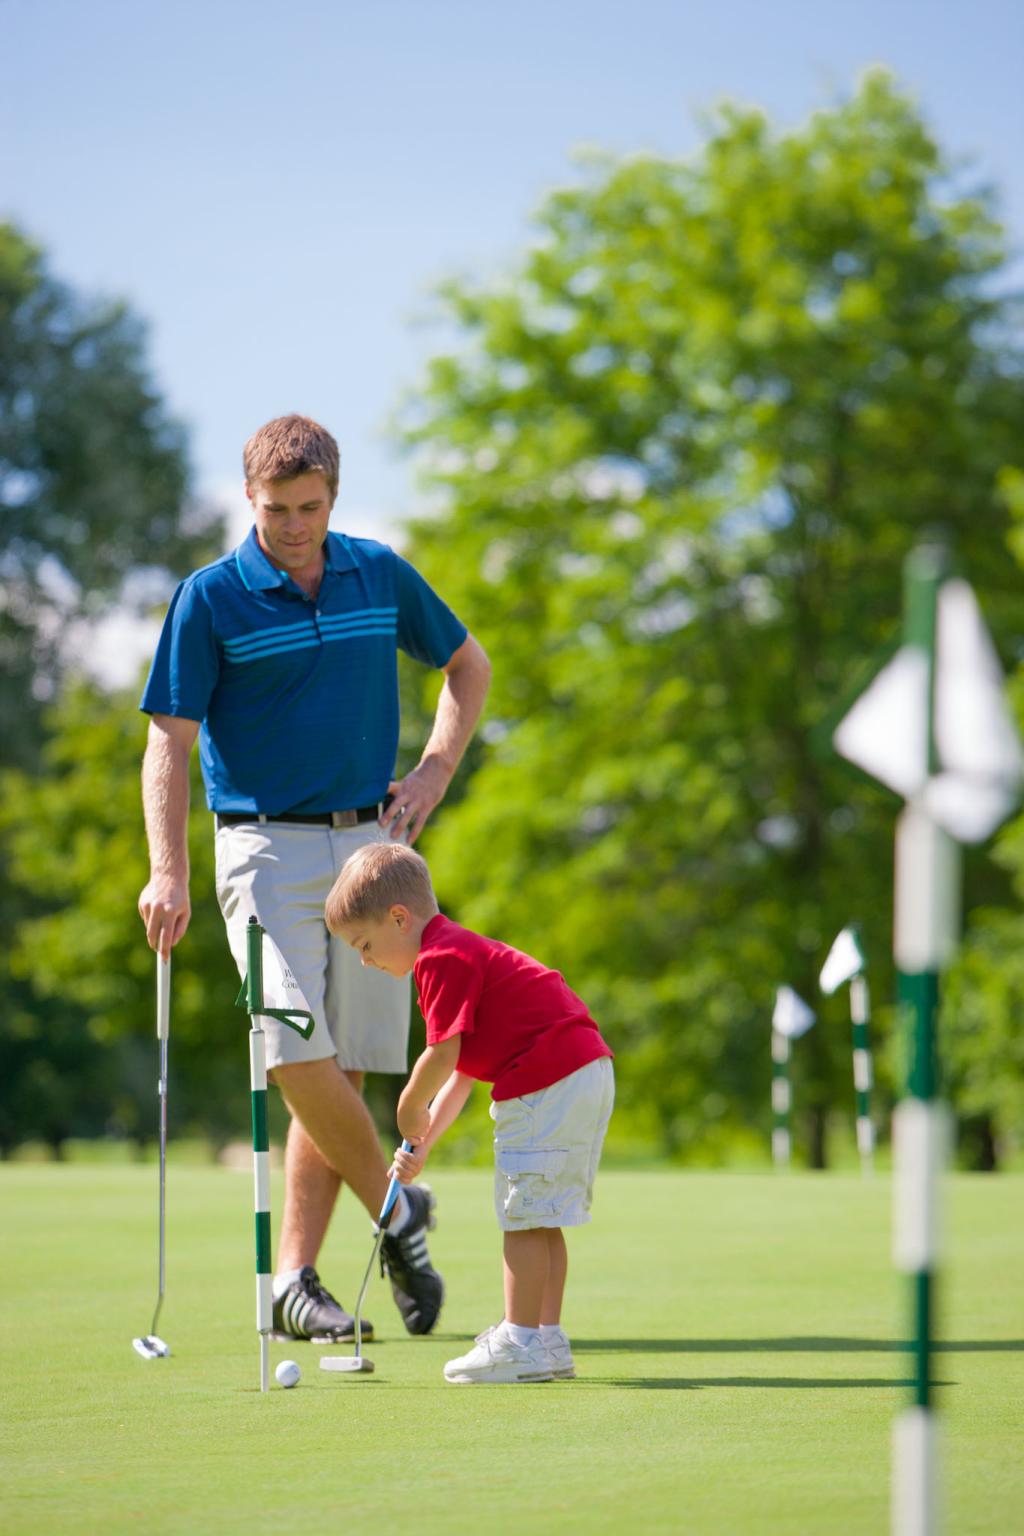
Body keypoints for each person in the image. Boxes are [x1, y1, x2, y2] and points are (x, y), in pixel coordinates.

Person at [137, 414, 490, 1343]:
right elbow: (166, 746)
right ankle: (398, 1213)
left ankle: (295, 1282)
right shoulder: (209, 599)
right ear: (246, 499)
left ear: (333, 494)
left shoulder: (379, 572)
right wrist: (165, 870)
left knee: (346, 1068)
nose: (293, 526)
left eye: (310, 507)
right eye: (274, 509)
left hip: (372, 848)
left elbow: (468, 666)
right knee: (290, 1040)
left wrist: (432, 776)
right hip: (262, 850)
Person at [325, 842, 615, 1385]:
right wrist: (421, 1146)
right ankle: (546, 1340)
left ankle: (520, 1340)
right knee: (542, 1215)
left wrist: (407, 1106)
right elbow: (462, 1078)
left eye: (365, 945)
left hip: (546, 1078)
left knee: (522, 1215)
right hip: (582, 1072)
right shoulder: (457, 952)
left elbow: (442, 1055)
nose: (364, 960)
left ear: (398, 917)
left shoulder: (439, 959)